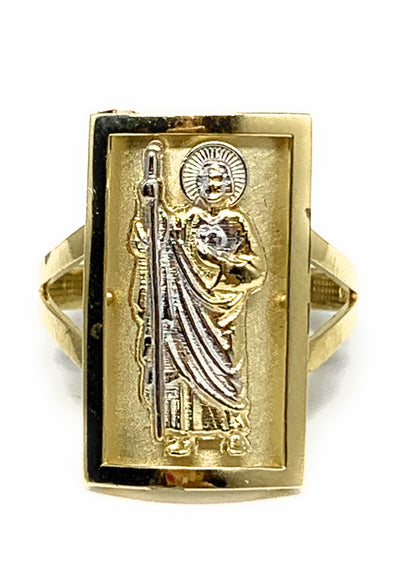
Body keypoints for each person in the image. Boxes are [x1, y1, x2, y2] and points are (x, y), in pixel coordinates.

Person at [129, 141, 266, 457]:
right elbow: (156, 237)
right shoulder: (185, 220)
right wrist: (149, 199)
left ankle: (234, 428)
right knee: (181, 362)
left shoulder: (237, 223)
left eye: (219, 180)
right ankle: (181, 432)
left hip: (223, 312)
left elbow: (257, 272)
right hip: (184, 308)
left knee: (226, 365)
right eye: (207, 180)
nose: (214, 186)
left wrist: (218, 263)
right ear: (197, 185)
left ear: (230, 185)